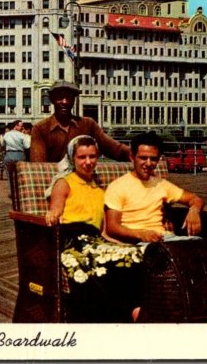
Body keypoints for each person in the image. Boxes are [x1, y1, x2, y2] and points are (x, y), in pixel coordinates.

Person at [45, 134, 143, 323]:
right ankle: (124, 313)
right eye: (82, 157)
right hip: (72, 239)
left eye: (92, 156)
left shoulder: (100, 192)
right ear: (73, 159)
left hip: (95, 241)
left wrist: (126, 245)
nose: (88, 162)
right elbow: (55, 209)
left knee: (135, 255)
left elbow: (104, 232)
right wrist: (53, 214)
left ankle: (133, 310)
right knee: (105, 266)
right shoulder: (64, 183)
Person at [105, 131, 204, 244]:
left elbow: (195, 199)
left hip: (165, 239)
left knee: (201, 246)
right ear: (132, 157)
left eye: (153, 159)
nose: (148, 163)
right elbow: (112, 227)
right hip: (137, 242)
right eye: (143, 158)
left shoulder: (161, 184)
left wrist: (194, 210)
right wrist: (140, 234)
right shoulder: (117, 187)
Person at [30, 80, 131, 163]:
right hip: (55, 181)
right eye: (60, 97)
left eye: (69, 98)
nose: (64, 102)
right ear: (52, 100)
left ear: (74, 100)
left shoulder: (88, 124)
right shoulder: (40, 129)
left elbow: (115, 148)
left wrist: (139, 154)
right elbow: (38, 166)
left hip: (84, 180)